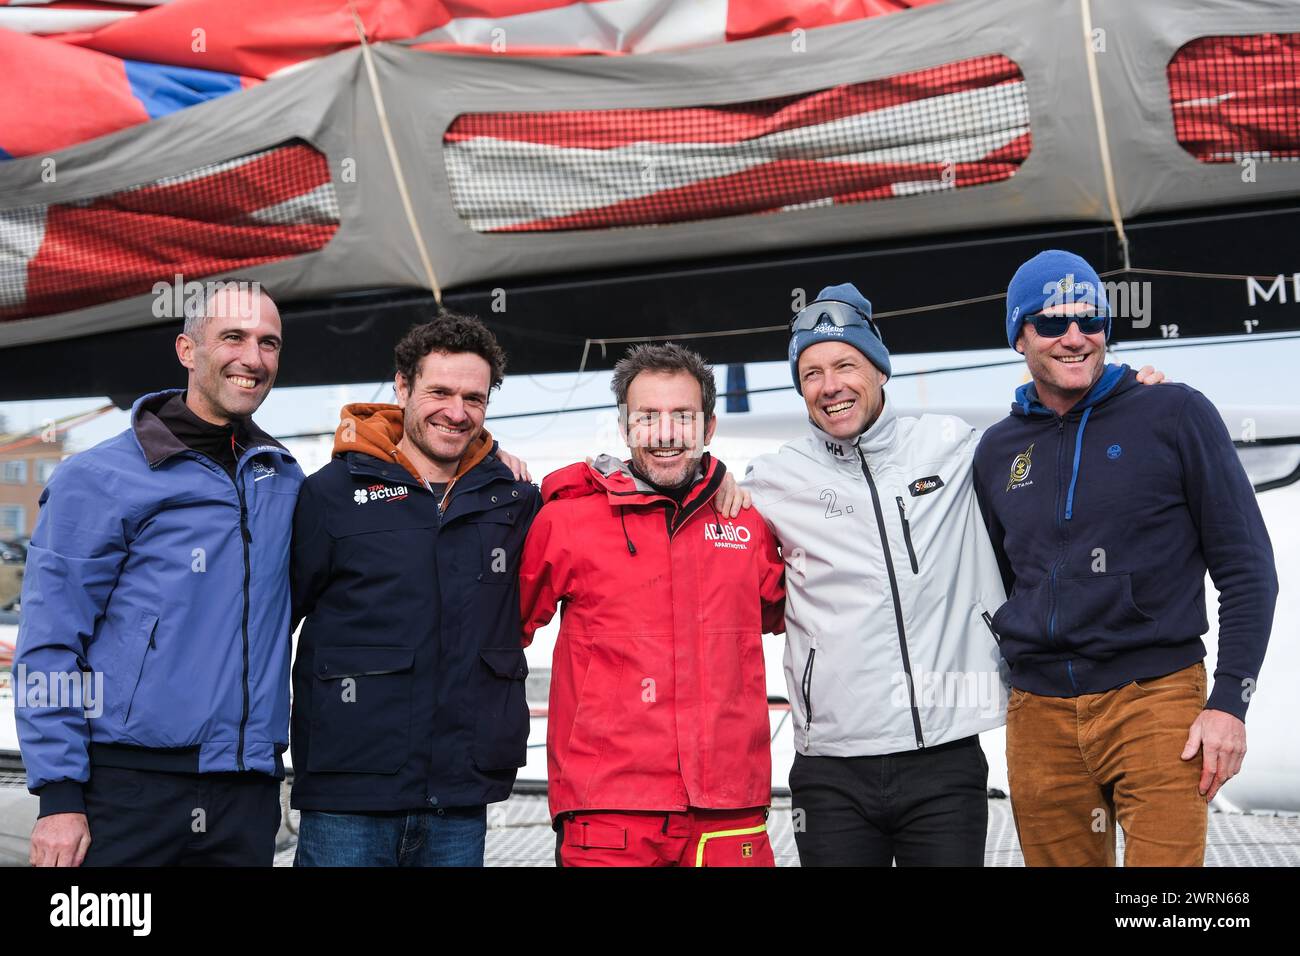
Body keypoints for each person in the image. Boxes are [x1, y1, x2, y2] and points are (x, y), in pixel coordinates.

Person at [972, 249, 1279, 866]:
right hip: (1039, 714)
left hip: (1157, 699)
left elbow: (1248, 569)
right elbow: (1006, 583)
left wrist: (1228, 706)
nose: (1075, 336)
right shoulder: (996, 450)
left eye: (1090, 318)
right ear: (1018, 337)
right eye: (1052, 323)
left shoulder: (1175, 412)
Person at [18, 283, 301, 866]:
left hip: (246, 795)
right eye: (233, 338)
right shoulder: (95, 479)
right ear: (187, 350)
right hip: (126, 793)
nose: (253, 357)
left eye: (268, 343)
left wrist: (481, 454)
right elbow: (49, 647)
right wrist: (59, 797)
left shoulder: (285, 481)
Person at [743, 284, 1009, 866]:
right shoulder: (770, 480)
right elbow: (674, 489)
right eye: (811, 373)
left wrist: (1132, 397)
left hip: (944, 756)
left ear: (880, 369)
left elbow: (1049, 433)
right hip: (831, 770)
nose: (830, 385)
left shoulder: (951, 446)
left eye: (845, 364)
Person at [289, 311, 540, 867]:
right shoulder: (328, 495)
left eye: (474, 399)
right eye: (440, 392)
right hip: (347, 799)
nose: (457, 412)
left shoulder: (514, 501)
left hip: (459, 796)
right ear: (401, 386)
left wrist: (717, 479)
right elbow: (269, 624)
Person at [520, 343, 786, 867]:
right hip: (608, 813)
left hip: (728, 809)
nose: (666, 434)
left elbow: (801, 613)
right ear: (625, 427)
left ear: (708, 428)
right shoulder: (566, 521)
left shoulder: (747, 522)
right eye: (647, 417)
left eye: (683, 417)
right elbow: (502, 634)